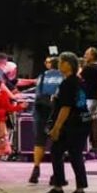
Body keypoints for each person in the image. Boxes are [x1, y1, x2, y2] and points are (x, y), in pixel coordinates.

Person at [45, 52, 89, 193]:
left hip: (70, 125)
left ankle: (60, 185)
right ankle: (78, 187)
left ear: (68, 65)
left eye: (61, 62)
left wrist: (56, 127)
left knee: (57, 151)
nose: (58, 64)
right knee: (74, 154)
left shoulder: (68, 83)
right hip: (82, 123)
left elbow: (66, 107)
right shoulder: (79, 81)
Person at [28, 56, 63, 184]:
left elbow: (38, 94)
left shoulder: (42, 76)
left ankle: (36, 169)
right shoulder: (62, 77)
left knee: (39, 142)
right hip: (55, 112)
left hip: (40, 111)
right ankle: (56, 173)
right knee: (56, 143)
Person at [79, 48, 97, 155]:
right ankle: (96, 145)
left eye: (87, 54)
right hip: (95, 99)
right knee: (95, 122)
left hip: (88, 98)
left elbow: (78, 77)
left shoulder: (88, 68)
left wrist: (80, 67)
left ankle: (86, 146)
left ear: (92, 56)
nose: (84, 55)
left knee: (85, 122)